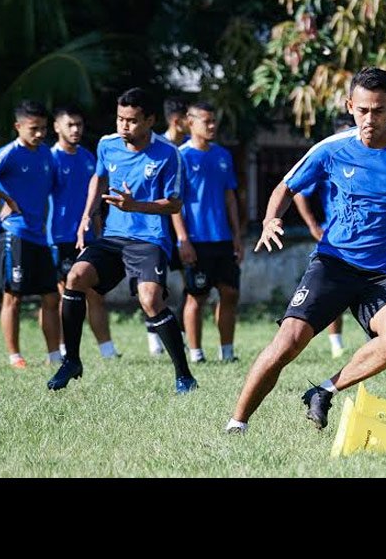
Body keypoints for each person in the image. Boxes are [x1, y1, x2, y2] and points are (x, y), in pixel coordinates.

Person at [224, 67, 386, 434]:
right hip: (334, 263)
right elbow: (285, 187)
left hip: (385, 272)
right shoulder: (331, 149)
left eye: (378, 110)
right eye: (362, 110)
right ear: (349, 106)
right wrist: (269, 220)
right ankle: (237, 423)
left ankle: (323, 391)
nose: (369, 119)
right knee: (287, 344)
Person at [47, 87, 197, 393]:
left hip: (149, 239)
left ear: (149, 120)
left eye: (131, 120)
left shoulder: (169, 153)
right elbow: (99, 178)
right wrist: (87, 214)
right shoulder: (107, 145)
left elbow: (174, 204)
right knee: (75, 277)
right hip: (113, 237)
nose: (123, 126)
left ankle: (184, 375)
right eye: (120, 119)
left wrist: (135, 205)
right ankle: (72, 361)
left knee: (151, 300)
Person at [0, 100, 60, 368]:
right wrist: (6, 199)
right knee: (14, 296)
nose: (40, 134)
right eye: (34, 128)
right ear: (18, 126)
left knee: (51, 296)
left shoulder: (47, 155)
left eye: (43, 128)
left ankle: (54, 356)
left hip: (40, 235)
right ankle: (15, 356)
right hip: (15, 233)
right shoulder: (9, 153)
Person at [174, 101, 244, 363]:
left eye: (214, 120)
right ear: (190, 122)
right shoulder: (180, 157)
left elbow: (230, 198)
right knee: (197, 296)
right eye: (207, 121)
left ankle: (227, 352)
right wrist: (183, 240)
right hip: (196, 240)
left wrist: (237, 236)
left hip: (223, 239)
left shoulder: (223, 156)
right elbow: (174, 205)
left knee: (230, 293)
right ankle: (196, 353)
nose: (212, 125)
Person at [48, 104, 120, 360]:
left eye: (79, 124)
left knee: (96, 294)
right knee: (65, 295)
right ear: (57, 127)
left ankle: (108, 350)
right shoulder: (50, 159)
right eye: (70, 124)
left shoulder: (89, 158)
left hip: (90, 238)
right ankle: (64, 351)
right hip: (59, 237)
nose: (76, 129)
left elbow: (98, 202)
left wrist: (100, 233)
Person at [291, 114, 357, 359]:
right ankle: (336, 344)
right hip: (334, 240)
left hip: (367, 240)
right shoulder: (328, 157)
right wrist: (312, 226)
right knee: (333, 291)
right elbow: (297, 192)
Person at [146, 96, 191, 356]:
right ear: (178, 120)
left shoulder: (189, 148)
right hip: (157, 229)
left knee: (190, 284)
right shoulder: (157, 149)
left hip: (186, 227)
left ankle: (181, 335)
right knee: (155, 286)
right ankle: (153, 336)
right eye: (190, 118)